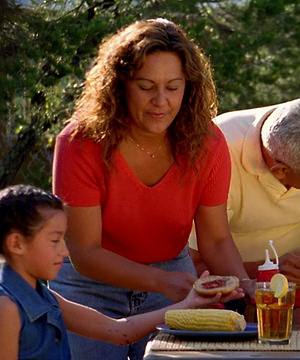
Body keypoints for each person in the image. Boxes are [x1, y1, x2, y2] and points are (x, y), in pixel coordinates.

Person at [50, 19, 250, 359]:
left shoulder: (208, 143)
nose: (161, 101)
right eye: (146, 87)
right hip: (87, 287)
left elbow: (215, 240)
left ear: (189, 87)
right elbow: (84, 253)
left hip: (174, 279)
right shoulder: (78, 143)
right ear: (119, 85)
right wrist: (159, 281)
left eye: (173, 87)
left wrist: (245, 289)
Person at [0, 185, 242, 359]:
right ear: (16, 244)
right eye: (55, 241)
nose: (65, 251)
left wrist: (189, 304)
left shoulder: (44, 296)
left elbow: (118, 331)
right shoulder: (7, 307)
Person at [189, 98, 300, 286]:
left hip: (293, 265)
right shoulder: (214, 150)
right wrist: (268, 271)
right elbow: (200, 259)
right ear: (281, 171)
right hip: (224, 274)